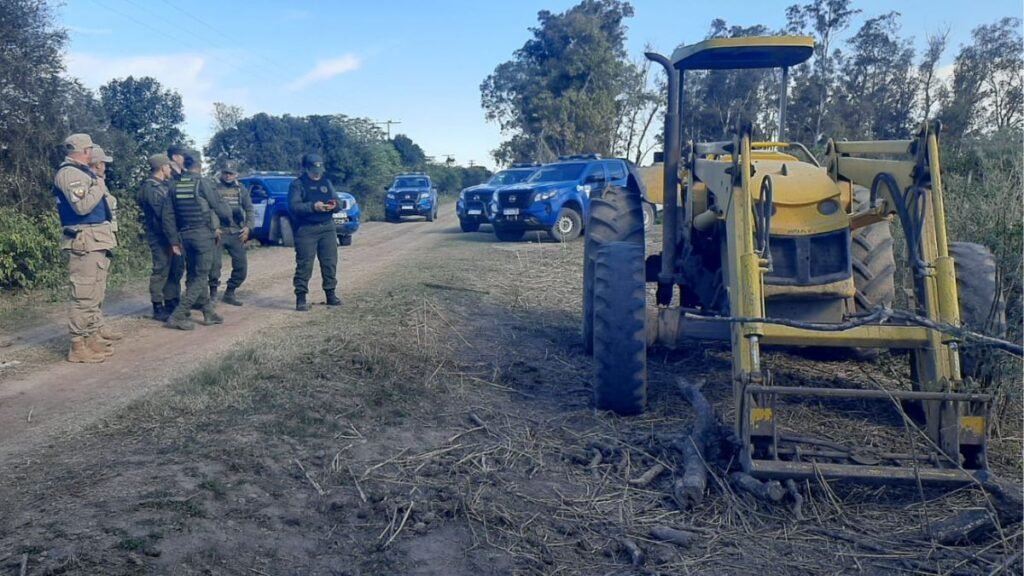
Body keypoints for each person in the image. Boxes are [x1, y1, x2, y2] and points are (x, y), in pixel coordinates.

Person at [53, 134, 121, 362]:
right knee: (83, 295)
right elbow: (82, 206)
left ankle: (91, 337)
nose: (94, 152)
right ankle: (77, 346)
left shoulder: (82, 173)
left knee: (94, 293)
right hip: (84, 241)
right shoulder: (70, 174)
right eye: (91, 148)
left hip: (95, 240)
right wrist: (99, 186)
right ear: (84, 150)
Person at [161, 150, 232, 330]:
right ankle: (178, 315)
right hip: (203, 235)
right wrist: (228, 219)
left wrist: (173, 240)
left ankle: (208, 312)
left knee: (193, 273)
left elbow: (167, 216)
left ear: (185, 165)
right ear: (199, 166)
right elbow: (220, 208)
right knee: (201, 276)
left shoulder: (174, 185)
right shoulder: (203, 183)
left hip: (184, 236)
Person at [289, 153, 342, 311]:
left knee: (330, 262)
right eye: (313, 169)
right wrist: (313, 206)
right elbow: (294, 206)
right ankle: (301, 298)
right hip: (306, 229)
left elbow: (337, 201)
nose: (317, 172)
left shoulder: (327, 182)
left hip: (327, 227)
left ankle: (330, 294)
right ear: (306, 168)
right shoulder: (297, 184)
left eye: (319, 168)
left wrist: (334, 205)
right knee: (305, 264)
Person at [139, 153, 184, 321]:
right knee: (161, 270)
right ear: (162, 167)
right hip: (159, 236)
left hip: (171, 234)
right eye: (168, 166)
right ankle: (158, 306)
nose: (170, 170)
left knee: (175, 269)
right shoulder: (151, 188)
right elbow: (162, 214)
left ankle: (171, 300)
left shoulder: (164, 185)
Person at [209, 159, 254, 306]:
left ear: (236, 174)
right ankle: (213, 294)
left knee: (241, 267)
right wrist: (213, 227)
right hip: (218, 232)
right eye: (226, 173)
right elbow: (208, 209)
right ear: (222, 173)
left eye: (231, 173)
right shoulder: (213, 188)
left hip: (236, 232)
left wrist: (248, 227)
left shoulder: (241, 189)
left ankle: (230, 292)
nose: (228, 176)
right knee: (214, 266)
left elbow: (249, 209)